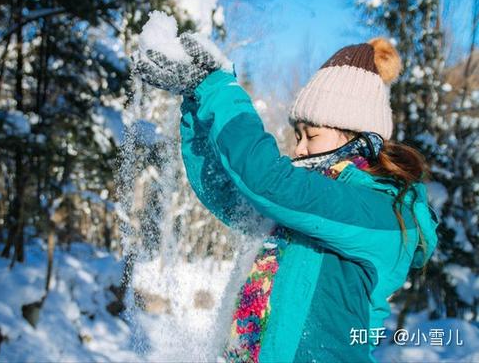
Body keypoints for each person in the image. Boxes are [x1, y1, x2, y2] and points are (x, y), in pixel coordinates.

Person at [131, 34, 440, 363]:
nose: (299, 149)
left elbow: (265, 179)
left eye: (312, 135)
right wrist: (198, 100)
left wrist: (218, 87)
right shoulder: (303, 205)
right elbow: (226, 192)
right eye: (297, 136)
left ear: (358, 137)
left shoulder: (379, 212)